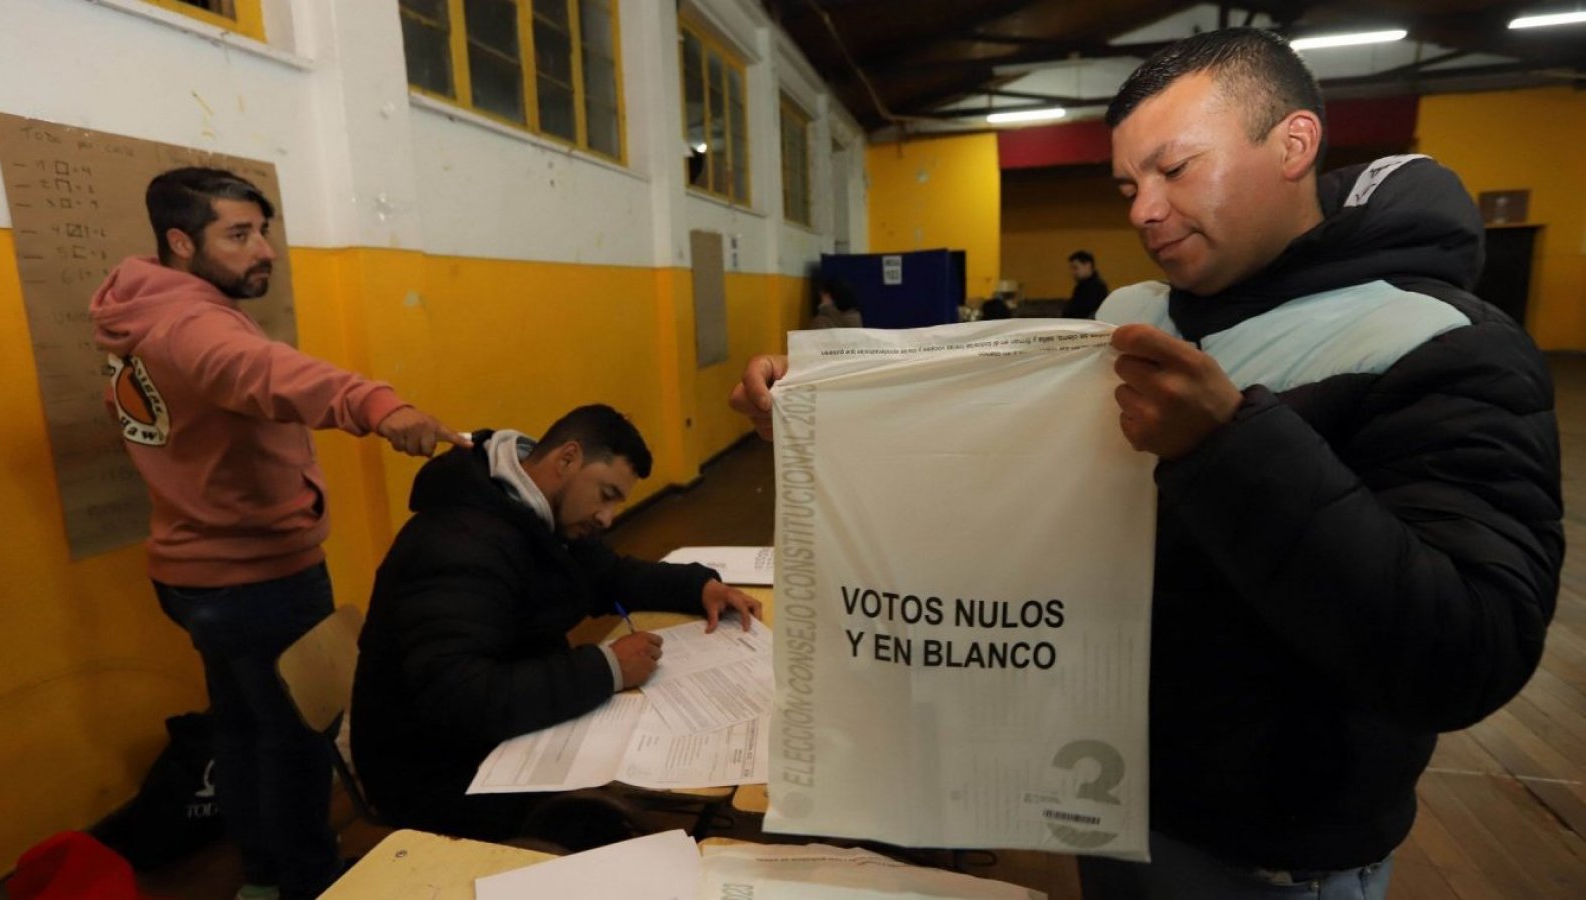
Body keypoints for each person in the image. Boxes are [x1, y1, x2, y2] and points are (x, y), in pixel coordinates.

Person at [729, 27, 1561, 900]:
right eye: (1129, 185)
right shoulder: (1135, 314)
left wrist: (1231, 446)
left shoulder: (1443, 343)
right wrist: (820, 410)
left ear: (1293, 143)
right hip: (1108, 797)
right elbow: (986, 460)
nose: (1142, 210)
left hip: (1275, 850)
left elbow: (1469, 649)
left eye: (1175, 169)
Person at [90, 168, 469, 900]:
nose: (262, 250)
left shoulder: (141, 311)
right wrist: (380, 406)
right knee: (298, 737)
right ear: (179, 240)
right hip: (256, 576)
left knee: (240, 729)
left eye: (263, 231)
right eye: (238, 234)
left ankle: (263, 874)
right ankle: (307, 882)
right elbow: (268, 373)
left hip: (189, 570)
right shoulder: (196, 325)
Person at [349, 404, 763, 843]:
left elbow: (610, 575)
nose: (607, 518)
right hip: (434, 769)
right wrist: (606, 669)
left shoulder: (533, 511)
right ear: (567, 459)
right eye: (606, 495)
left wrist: (698, 588)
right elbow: (460, 696)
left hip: (495, 734)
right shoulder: (458, 543)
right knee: (605, 832)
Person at [1062, 250, 1109, 319]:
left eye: (1075, 267)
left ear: (1088, 265)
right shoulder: (1082, 286)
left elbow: (1083, 313)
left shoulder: (1096, 287)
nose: (1073, 272)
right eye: (1072, 268)